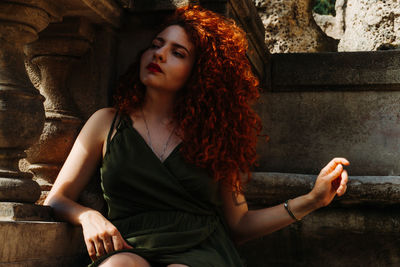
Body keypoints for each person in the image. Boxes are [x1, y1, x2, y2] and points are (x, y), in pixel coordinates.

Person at [44, 5, 349, 267]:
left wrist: (311, 200)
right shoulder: (106, 122)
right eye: (156, 44)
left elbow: (240, 224)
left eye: (177, 52)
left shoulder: (215, 135)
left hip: (201, 250)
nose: (159, 54)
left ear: (199, 73)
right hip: (128, 243)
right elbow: (57, 199)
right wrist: (88, 217)